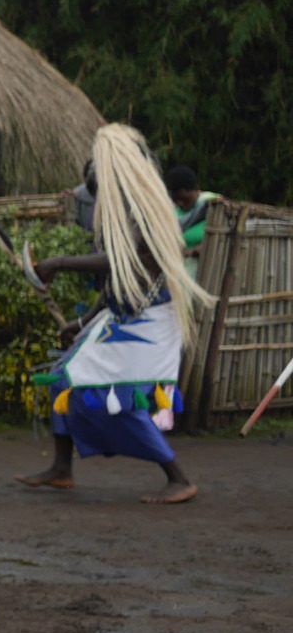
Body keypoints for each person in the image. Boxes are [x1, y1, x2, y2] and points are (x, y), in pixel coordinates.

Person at [18, 125, 212, 504]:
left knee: (117, 397)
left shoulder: (146, 209)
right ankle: (61, 468)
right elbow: (118, 281)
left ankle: (178, 478)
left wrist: (58, 262)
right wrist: (86, 320)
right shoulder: (123, 208)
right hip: (124, 315)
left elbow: (123, 260)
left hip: (151, 320)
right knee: (63, 380)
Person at [164, 165, 220, 282]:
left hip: (209, 275)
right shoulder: (171, 213)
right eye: (175, 199)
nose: (180, 203)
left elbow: (226, 240)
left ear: (196, 189)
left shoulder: (213, 206)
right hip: (177, 275)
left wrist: (200, 249)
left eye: (184, 198)